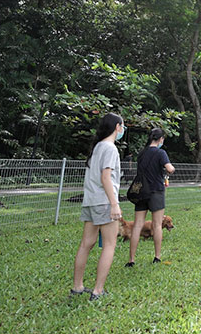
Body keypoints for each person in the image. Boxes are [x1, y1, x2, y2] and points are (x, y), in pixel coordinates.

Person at [72, 113, 124, 301]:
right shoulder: (110, 148)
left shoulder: (97, 147)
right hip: (104, 201)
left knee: (86, 244)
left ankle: (77, 287)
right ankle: (98, 291)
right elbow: (106, 177)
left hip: (91, 200)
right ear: (117, 127)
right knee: (109, 244)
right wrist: (114, 204)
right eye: (122, 126)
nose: (122, 130)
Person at [126, 128, 175, 267]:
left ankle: (131, 260)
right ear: (160, 139)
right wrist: (170, 169)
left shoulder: (142, 153)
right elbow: (170, 168)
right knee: (157, 224)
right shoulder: (161, 153)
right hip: (156, 192)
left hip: (141, 192)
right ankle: (157, 257)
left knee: (137, 225)